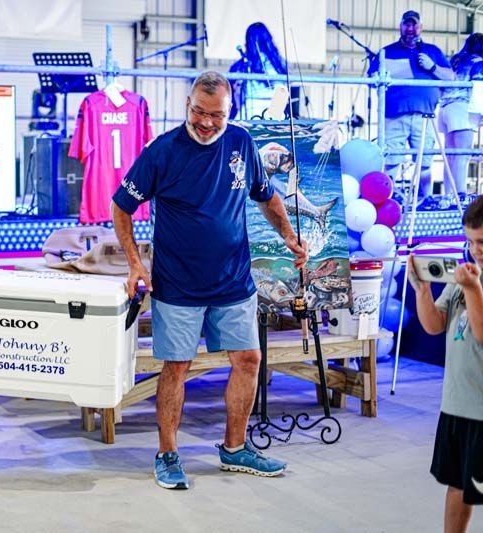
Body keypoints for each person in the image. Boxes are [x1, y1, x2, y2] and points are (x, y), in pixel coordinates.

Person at [111, 71, 308, 490]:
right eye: (199, 112)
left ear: (229, 111)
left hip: (234, 281)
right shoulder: (162, 151)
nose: (206, 122)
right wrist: (134, 264)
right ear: (188, 104)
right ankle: (167, 454)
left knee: (249, 360)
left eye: (215, 115)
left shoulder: (241, 142)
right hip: (179, 285)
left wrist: (288, 234)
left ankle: (235, 449)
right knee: (177, 367)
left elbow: (266, 195)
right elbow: (121, 207)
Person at [408, 196, 483, 532]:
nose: (475, 249)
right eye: (470, 241)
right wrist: (421, 289)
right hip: (457, 406)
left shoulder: (470, 281)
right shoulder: (464, 278)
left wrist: (473, 288)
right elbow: (435, 325)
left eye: (481, 241)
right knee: (458, 486)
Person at [368, 10, 454, 205]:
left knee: (424, 162)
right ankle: (386, 201)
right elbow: (371, 79)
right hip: (394, 115)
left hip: (425, 115)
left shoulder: (432, 51)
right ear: (400, 26)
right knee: (391, 160)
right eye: (407, 24)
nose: (410, 28)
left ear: (421, 27)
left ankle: (425, 200)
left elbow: (450, 78)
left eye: (414, 24)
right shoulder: (386, 51)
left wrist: (432, 67)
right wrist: (380, 76)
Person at [438, 33, 483, 200]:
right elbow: (479, 92)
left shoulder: (455, 61)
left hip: (445, 108)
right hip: (463, 107)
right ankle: (461, 195)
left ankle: (448, 195)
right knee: (462, 155)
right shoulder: (479, 64)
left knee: (451, 156)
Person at [228, 22, 288, 120]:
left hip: (250, 114)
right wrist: (272, 119)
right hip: (272, 117)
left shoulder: (242, 65)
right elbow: (282, 91)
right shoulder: (278, 64)